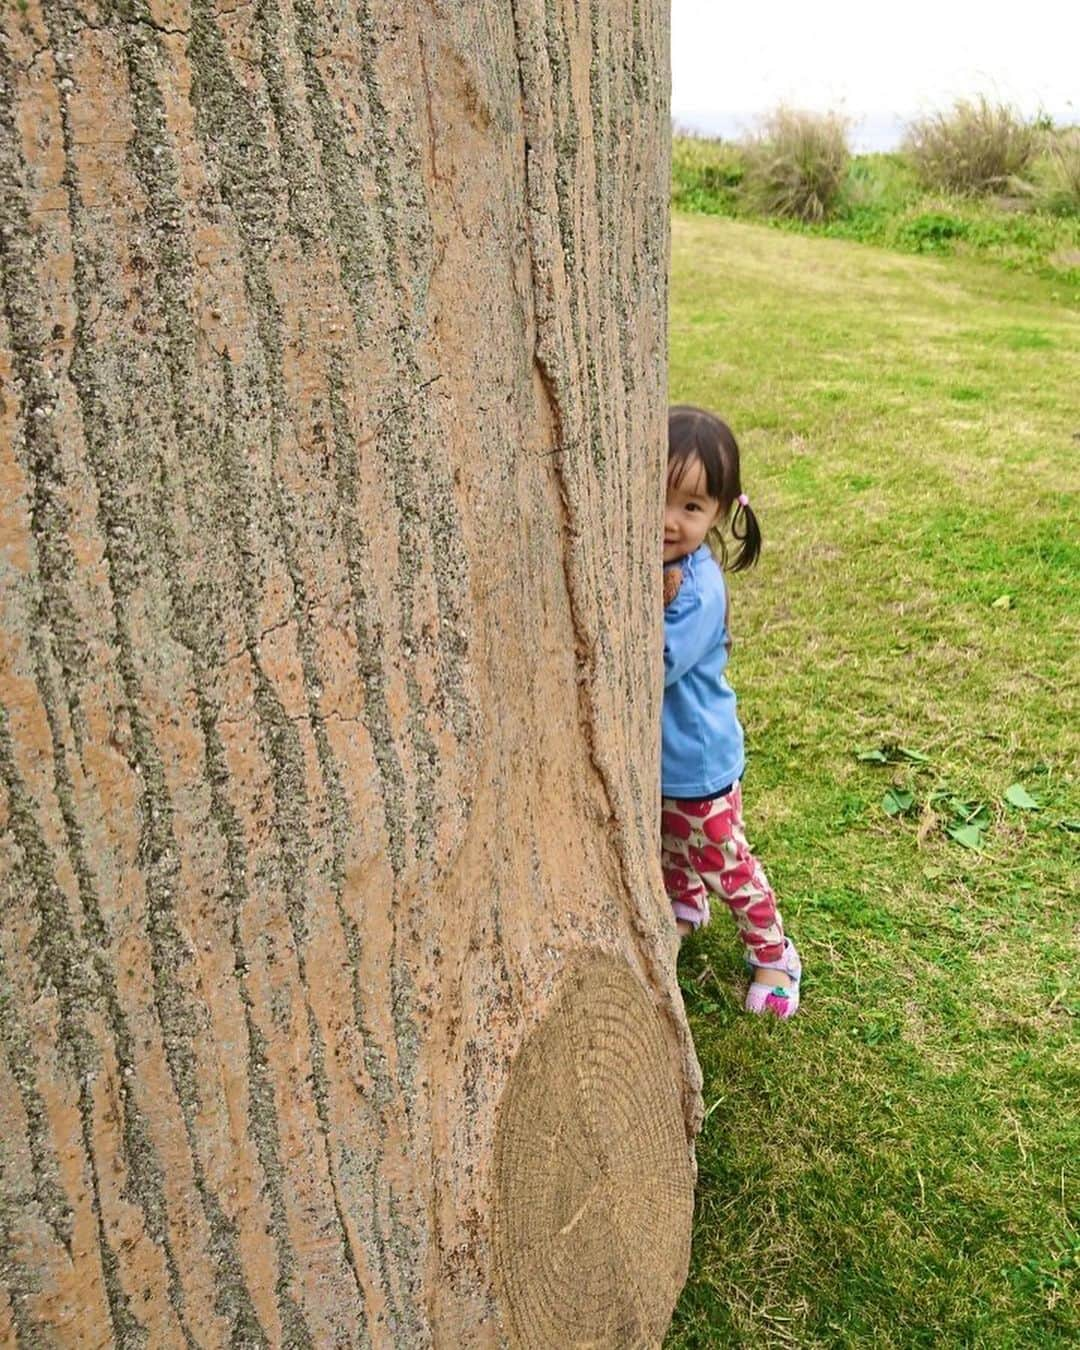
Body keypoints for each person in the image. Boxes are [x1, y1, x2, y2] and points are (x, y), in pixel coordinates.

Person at [661, 405, 802, 1017]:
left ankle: (775, 953)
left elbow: (657, 662)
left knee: (726, 862)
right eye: (660, 497)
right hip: (665, 762)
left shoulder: (696, 587)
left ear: (719, 512)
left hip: (698, 761)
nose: (670, 520)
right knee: (668, 845)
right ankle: (683, 905)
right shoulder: (664, 567)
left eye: (691, 507)